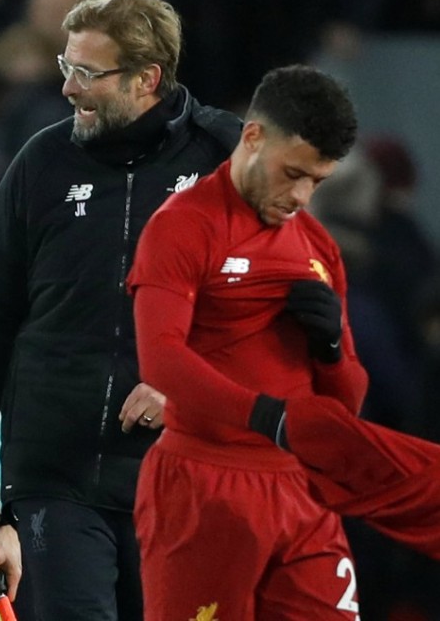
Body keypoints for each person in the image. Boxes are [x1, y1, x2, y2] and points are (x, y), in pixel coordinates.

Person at [0, 0, 241, 619]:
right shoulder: (42, 161)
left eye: (86, 72)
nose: (68, 88)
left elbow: (268, 314)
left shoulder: (224, 165)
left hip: (181, 478)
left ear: (147, 79)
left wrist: (185, 387)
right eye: (65, 66)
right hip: (54, 477)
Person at [127, 64, 365, 619]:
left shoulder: (318, 249)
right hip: (204, 483)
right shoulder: (182, 227)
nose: (303, 195)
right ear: (253, 137)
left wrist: (330, 348)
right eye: (293, 173)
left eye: (318, 181)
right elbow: (161, 359)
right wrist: (267, 418)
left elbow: (349, 402)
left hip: (301, 487)